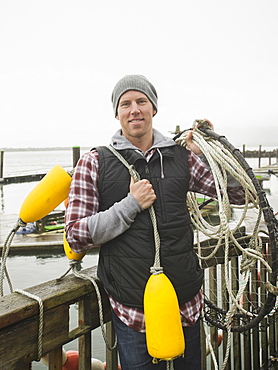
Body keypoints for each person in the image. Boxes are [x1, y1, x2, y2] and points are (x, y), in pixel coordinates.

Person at [65, 75, 245, 369]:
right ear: (117, 113)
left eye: (141, 101)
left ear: (153, 109)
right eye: (125, 103)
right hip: (133, 313)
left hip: (185, 305)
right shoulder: (94, 162)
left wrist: (212, 152)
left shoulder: (182, 158)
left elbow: (238, 193)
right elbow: (75, 236)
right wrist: (129, 206)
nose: (134, 109)